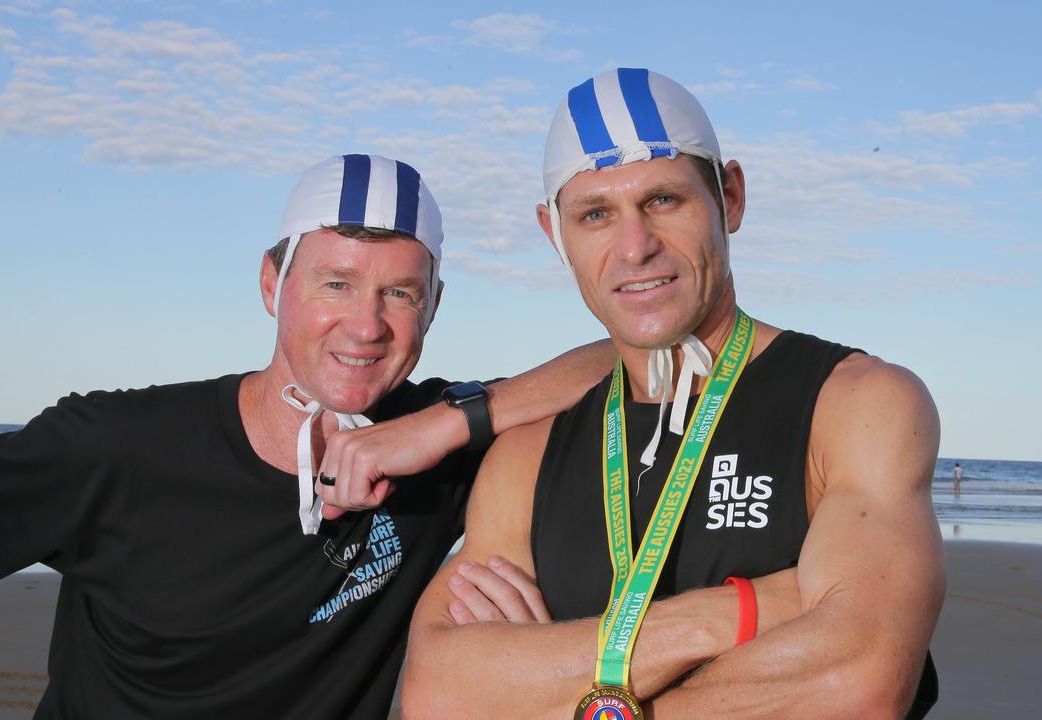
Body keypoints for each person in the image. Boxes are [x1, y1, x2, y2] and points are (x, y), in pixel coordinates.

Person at [0, 154, 615, 719]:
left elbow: (645, 350)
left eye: (399, 293)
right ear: (273, 283)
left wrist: (439, 428)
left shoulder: (439, 444)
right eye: (335, 284)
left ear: (433, 308)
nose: (367, 326)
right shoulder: (119, 444)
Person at [403, 68, 943, 719]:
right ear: (555, 235)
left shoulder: (856, 405)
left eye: (663, 200)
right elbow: (439, 694)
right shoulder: (524, 457)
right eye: (596, 214)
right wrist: (733, 614)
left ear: (731, 197)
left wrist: (547, 687)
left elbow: (854, 684)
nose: (636, 248)